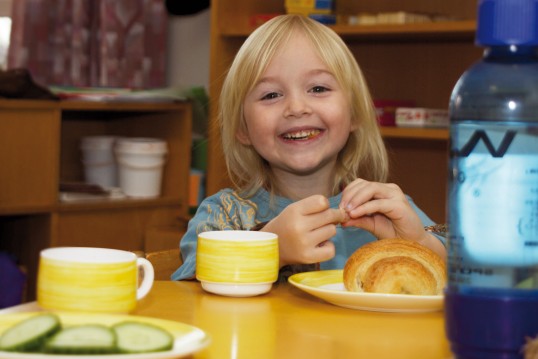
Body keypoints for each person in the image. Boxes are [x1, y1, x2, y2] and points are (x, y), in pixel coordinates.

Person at [171, 14, 446, 281]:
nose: (297, 108)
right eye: (271, 95)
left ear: (356, 114)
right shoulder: (224, 214)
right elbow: (194, 289)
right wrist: (271, 250)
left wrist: (419, 243)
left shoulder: (384, 210)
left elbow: (469, 277)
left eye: (317, 89)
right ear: (243, 130)